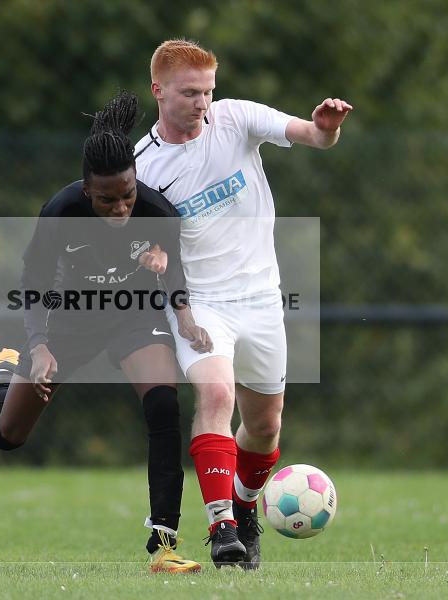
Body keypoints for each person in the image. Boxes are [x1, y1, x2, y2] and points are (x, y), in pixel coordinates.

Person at [0, 90, 213, 573]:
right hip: (69, 320)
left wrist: (184, 318)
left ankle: (164, 545)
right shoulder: (60, 211)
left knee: (163, 404)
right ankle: (2, 372)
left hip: (133, 317)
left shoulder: (160, 213)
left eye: (127, 195)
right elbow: (33, 283)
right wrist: (39, 347)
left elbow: (174, 275)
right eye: (106, 199)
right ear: (85, 189)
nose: (120, 208)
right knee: (8, 436)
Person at [133, 39, 353, 570]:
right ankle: (223, 528)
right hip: (200, 301)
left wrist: (327, 126)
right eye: (190, 93)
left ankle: (245, 504)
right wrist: (148, 256)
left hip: (260, 298)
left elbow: (311, 136)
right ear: (158, 90)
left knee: (265, 426)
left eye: (208, 91)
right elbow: (135, 241)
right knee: (214, 391)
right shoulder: (141, 166)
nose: (202, 103)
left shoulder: (236, 118)